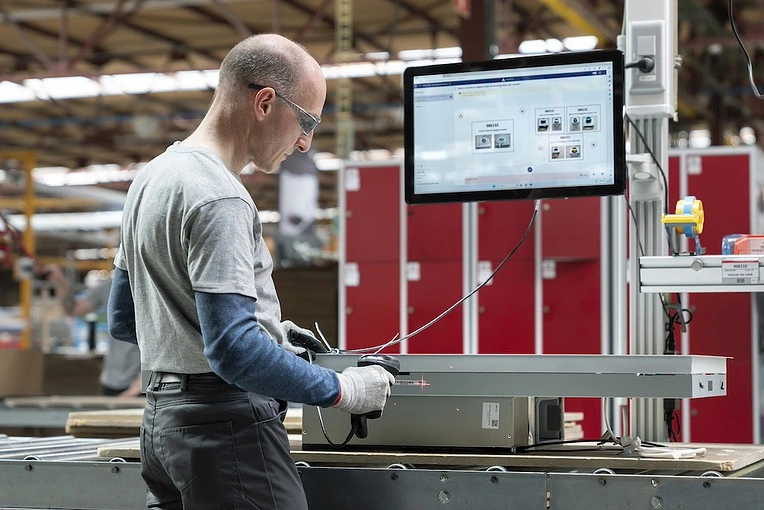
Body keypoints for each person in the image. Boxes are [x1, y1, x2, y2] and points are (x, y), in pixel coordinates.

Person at [107, 33, 395, 509]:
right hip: (225, 430)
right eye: (307, 122)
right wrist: (344, 389)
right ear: (264, 102)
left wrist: (266, 331)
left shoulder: (152, 178)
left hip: (163, 428)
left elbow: (125, 319)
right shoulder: (220, 197)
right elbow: (233, 352)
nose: (305, 143)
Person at [46, 264, 142, 397]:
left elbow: (161, 345)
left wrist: (138, 387)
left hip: (141, 386)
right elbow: (72, 309)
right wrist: (60, 281)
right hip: (111, 382)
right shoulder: (111, 287)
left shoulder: (152, 290)